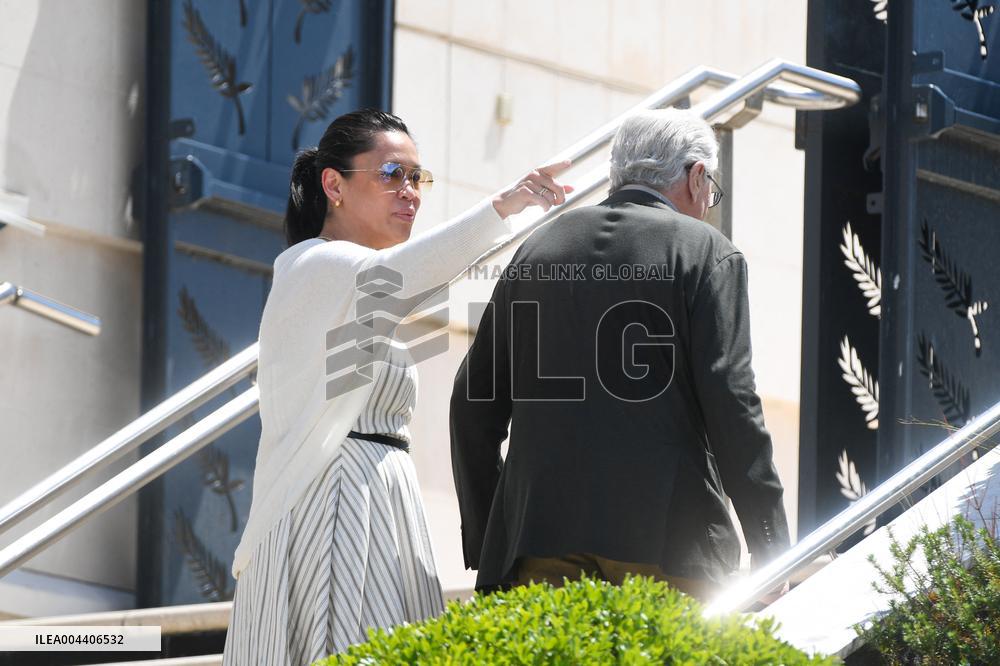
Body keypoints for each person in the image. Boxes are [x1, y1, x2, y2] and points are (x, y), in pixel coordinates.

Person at [222, 108, 573, 664]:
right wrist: (504, 206)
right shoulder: (316, 265)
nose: (410, 192)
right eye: (391, 175)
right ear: (333, 185)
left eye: (417, 178)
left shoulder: (353, 280)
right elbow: (410, 274)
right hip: (334, 503)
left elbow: (422, 278)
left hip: (376, 497)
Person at [449, 108, 790, 602]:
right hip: (669, 543)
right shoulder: (705, 251)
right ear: (697, 177)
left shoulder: (539, 247)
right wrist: (770, 542)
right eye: (711, 189)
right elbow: (732, 402)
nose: (709, 204)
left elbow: (471, 402)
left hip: (539, 539)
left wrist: (492, 536)